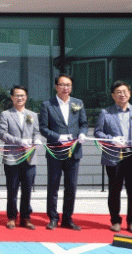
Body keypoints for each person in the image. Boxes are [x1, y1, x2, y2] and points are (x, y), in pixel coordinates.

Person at [94, 81, 132, 234]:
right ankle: (115, 221)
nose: (122, 94)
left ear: (130, 94)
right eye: (118, 92)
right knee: (114, 190)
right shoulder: (106, 113)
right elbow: (97, 133)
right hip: (114, 155)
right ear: (113, 95)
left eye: (125, 91)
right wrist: (111, 139)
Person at [39, 73, 88, 231]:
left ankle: (67, 218)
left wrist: (83, 134)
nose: (65, 88)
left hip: (74, 151)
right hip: (55, 151)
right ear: (56, 86)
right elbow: (43, 128)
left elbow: (84, 123)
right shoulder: (47, 105)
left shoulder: (78, 103)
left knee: (71, 186)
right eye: (62, 85)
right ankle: (53, 218)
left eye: (68, 85)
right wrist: (58, 137)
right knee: (53, 186)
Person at [0, 85, 42, 230]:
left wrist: (37, 140)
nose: (20, 98)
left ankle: (25, 217)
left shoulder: (32, 115)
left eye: (22, 95)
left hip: (30, 157)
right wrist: (19, 141)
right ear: (12, 97)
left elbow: (36, 132)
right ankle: (11, 217)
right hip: (12, 157)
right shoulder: (6, 114)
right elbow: (2, 134)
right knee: (12, 189)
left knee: (27, 189)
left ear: (26, 97)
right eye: (17, 95)